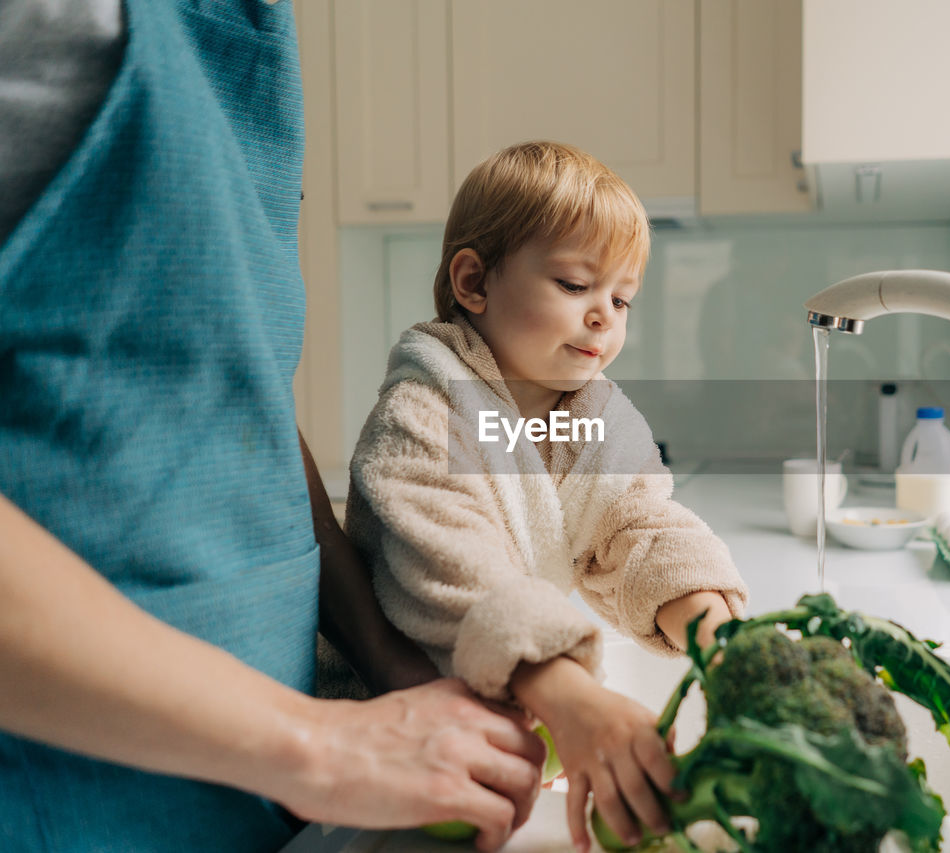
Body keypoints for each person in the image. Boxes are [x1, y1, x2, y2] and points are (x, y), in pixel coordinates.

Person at [0, 1, 543, 851]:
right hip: (66, 797)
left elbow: (233, 399)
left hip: (267, 789)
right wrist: (313, 744)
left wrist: (384, 664)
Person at [343, 141, 750, 853]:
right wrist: (576, 698)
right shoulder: (422, 413)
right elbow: (457, 569)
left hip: (519, 703)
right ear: (473, 282)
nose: (605, 317)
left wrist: (726, 646)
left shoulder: (594, 417)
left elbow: (643, 530)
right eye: (574, 285)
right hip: (398, 729)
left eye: (620, 299)